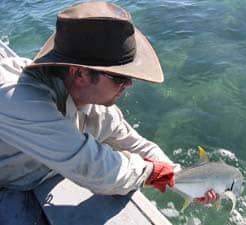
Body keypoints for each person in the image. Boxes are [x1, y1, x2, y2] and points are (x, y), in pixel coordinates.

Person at [0, 1, 218, 223]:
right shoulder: (20, 100)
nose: (130, 84)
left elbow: (137, 144)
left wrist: (180, 179)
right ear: (80, 74)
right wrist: (151, 173)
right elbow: (94, 168)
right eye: (121, 78)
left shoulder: (96, 108)